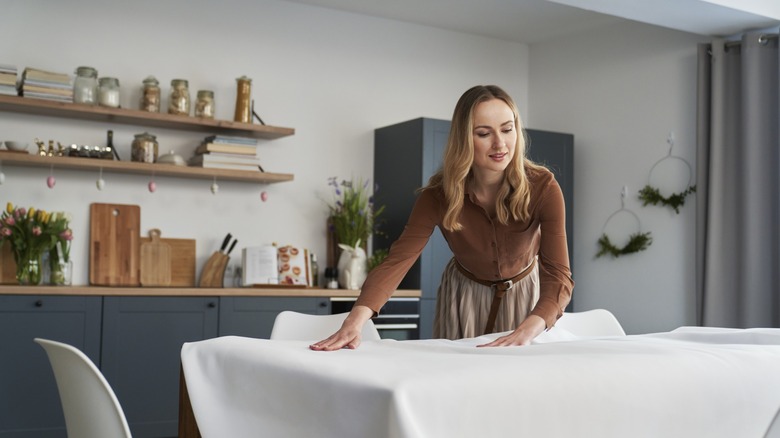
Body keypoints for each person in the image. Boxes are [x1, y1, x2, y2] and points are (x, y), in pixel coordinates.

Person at [310, 85, 573, 350]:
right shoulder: (438, 195)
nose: (500, 143)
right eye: (484, 133)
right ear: (463, 139)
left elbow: (558, 274)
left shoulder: (543, 187)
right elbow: (398, 260)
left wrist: (531, 326)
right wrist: (355, 321)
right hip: (463, 296)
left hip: (528, 297)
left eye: (507, 129)